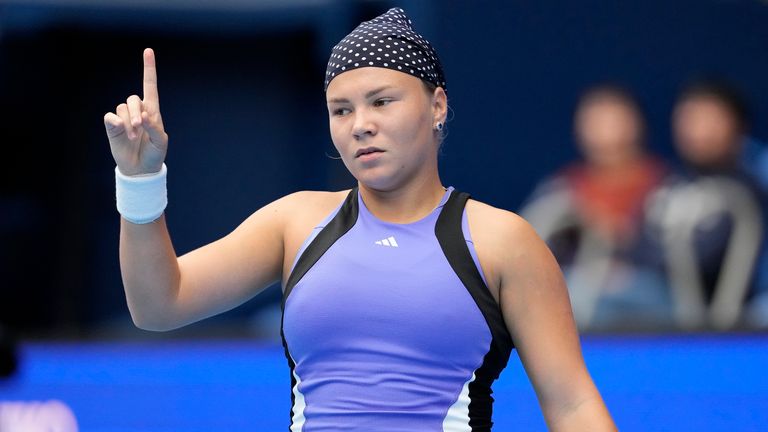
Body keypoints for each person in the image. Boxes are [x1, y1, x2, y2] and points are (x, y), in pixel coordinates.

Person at [103, 8, 615, 431]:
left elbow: (572, 404)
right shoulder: (294, 222)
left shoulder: (503, 241)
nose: (361, 125)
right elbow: (157, 305)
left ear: (437, 105)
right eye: (341, 110)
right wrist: (140, 180)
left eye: (381, 101)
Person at [520, 84, 671, 330]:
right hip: (579, 284)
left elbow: (681, 256)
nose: (605, 132)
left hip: (649, 290)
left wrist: (622, 241)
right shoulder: (563, 187)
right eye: (594, 122)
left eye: (614, 121)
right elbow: (529, 244)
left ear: (636, 124)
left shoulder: (665, 185)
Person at [645, 79, 766, 329]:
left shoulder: (747, 187)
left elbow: (708, 259)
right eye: (689, 119)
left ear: (737, 125)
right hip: (653, 288)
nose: (697, 131)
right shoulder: (668, 183)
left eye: (709, 119)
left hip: (702, 304)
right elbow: (637, 241)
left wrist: (649, 268)